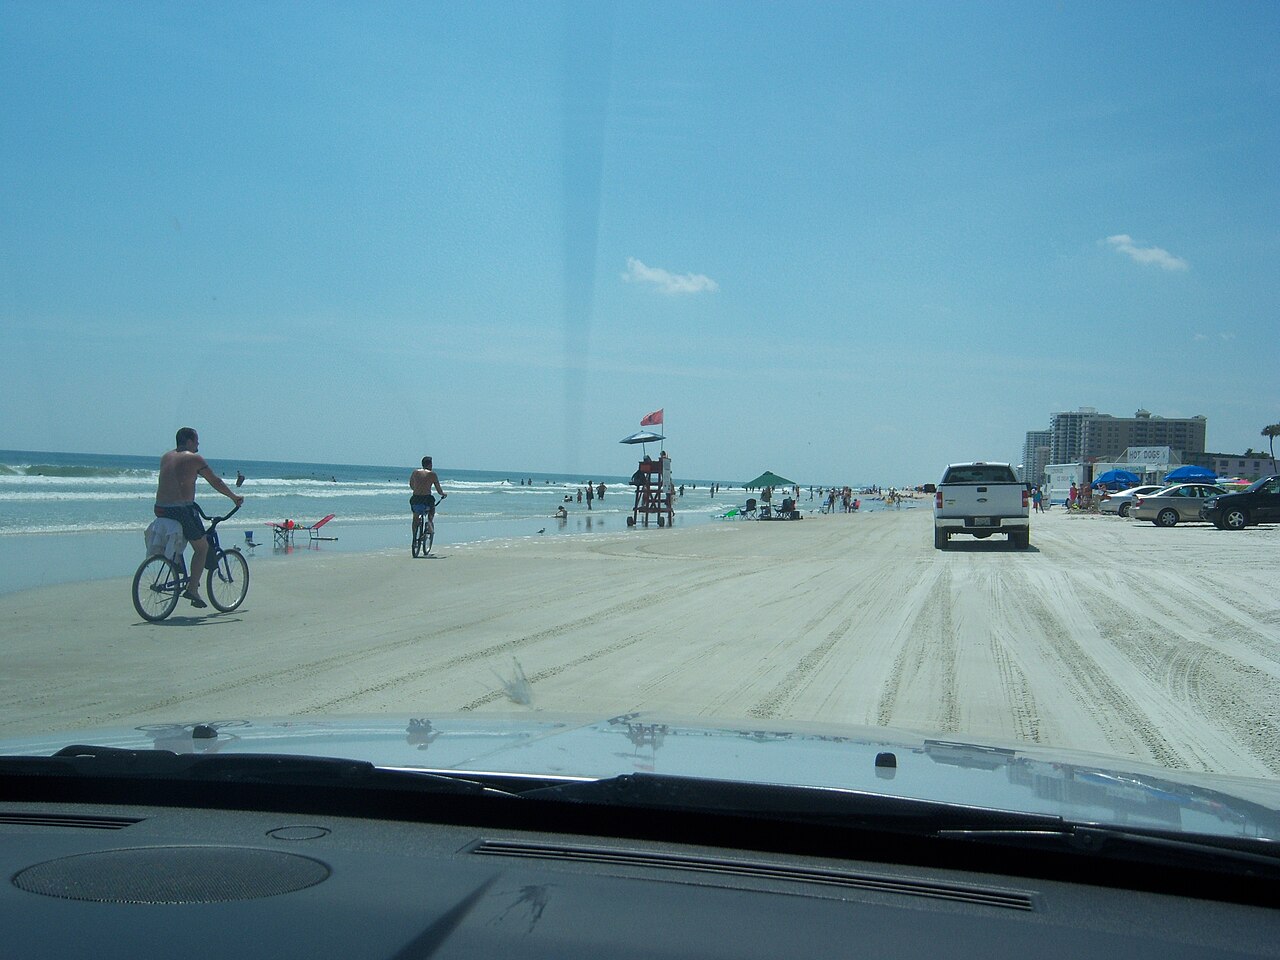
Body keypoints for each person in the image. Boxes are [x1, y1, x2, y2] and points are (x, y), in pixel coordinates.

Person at [153, 427, 244, 608]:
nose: (199, 444)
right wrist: (234, 497)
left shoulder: (166, 457)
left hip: (160, 509)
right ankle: (193, 589)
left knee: (191, 531)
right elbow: (215, 481)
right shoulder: (194, 459)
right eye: (196, 441)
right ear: (188, 441)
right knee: (202, 548)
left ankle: (177, 562)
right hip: (180, 511)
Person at [409, 456, 447, 545]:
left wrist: (418, 489)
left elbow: (411, 485)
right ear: (430, 464)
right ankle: (429, 524)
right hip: (426, 499)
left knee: (415, 517)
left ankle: (414, 537)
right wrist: (443, 494)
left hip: (415, 498)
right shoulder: (432, 474)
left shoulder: (415, 472)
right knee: (431, 511)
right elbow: (438, 490)